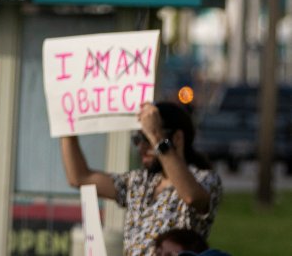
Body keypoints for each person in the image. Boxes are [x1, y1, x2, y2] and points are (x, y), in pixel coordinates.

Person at [60, 101, 223, 255]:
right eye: (137, 139)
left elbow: (191, 197)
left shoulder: (204, 179)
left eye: (147, 139)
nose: (141, 146)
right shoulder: (140, 181)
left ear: (177, 139)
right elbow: (80, 177)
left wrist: (156, 136)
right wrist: (67, 127)